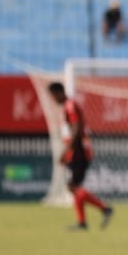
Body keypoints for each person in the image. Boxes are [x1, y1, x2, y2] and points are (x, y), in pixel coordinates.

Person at [48, 82, 114, 232]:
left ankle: (104, 208)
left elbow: (77, 127)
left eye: (53, 96)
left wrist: (66, 151)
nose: (53, 99)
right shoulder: (68, 106)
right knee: (74, 186)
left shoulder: (70, 105)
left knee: (72, 186)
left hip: (78, 152)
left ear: (59, 92)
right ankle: (83, 222)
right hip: (77, 151)